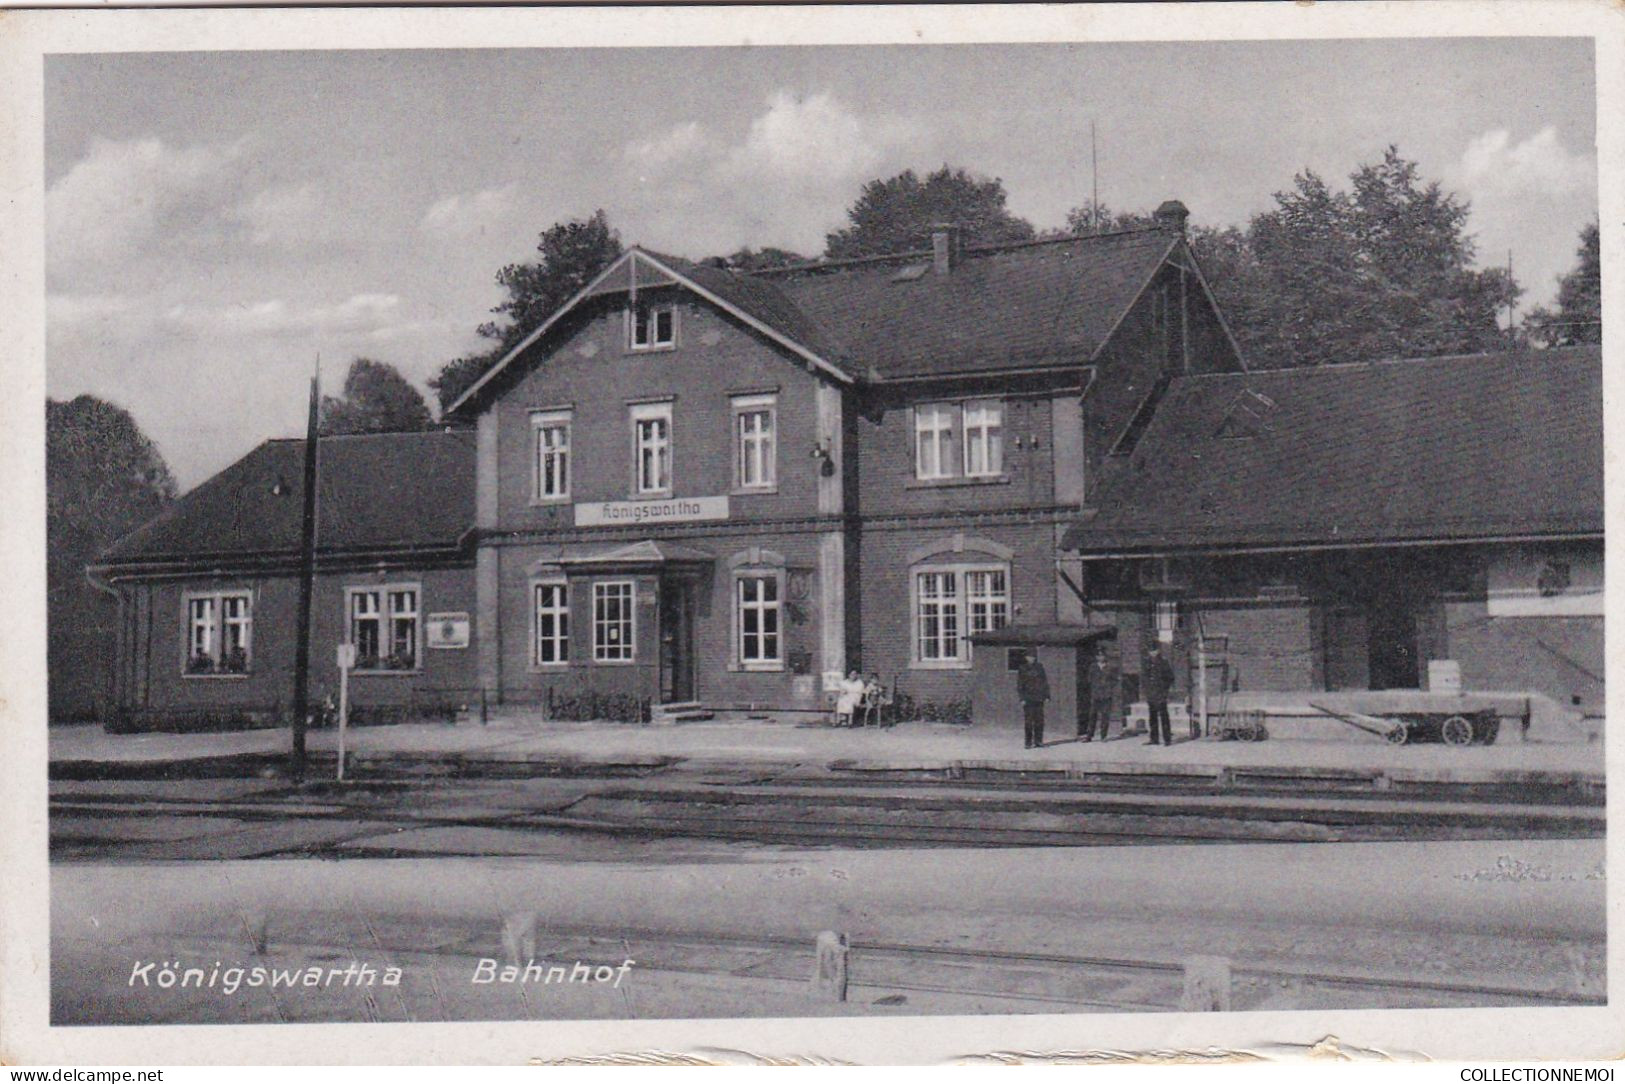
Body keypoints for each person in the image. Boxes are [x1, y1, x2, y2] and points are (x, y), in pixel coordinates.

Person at [1016, 650, 1051, 749]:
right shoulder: (1022, 668)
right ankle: (1028, 742)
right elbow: (1020, 684)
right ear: (1026, 658)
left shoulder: (1040, 667)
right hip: (1028, 698)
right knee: (1028, 721)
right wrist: (1022, 698)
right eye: (1029, 657)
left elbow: (1044, 682)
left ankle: (1038, 741)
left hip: (1039, 697)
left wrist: (1047, 695)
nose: (1031, 659)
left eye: (1033, 657)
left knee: (1039, 721)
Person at [1143, 641, 1175, 747]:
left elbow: (1170, 677)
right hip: (1151, 693)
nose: (1152, 653)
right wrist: (1147, 690)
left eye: (1154, 650)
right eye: (1150, 651)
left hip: (1160, 693)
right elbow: (1144, 678)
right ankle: (1154, 738)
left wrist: (1164, 690)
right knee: (1152, 716)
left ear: (1158, 651)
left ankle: (1167, 739)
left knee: (1163, 716)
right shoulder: (1146, 662)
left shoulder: (1163, 662)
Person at [1082, 651, 1115, 742]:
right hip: (1096, 694)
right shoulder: (1093, 667)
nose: (1100, 657)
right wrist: (1095, 687)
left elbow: (1114, 680)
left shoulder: (1109, 667)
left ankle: (1103, 736)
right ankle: (1089, 735)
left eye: (1102, 656)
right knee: (1092, 715)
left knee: (1105, 715)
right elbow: (1089, 679)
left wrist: (1109, 688)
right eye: (1098, 656)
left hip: (1106, 694)